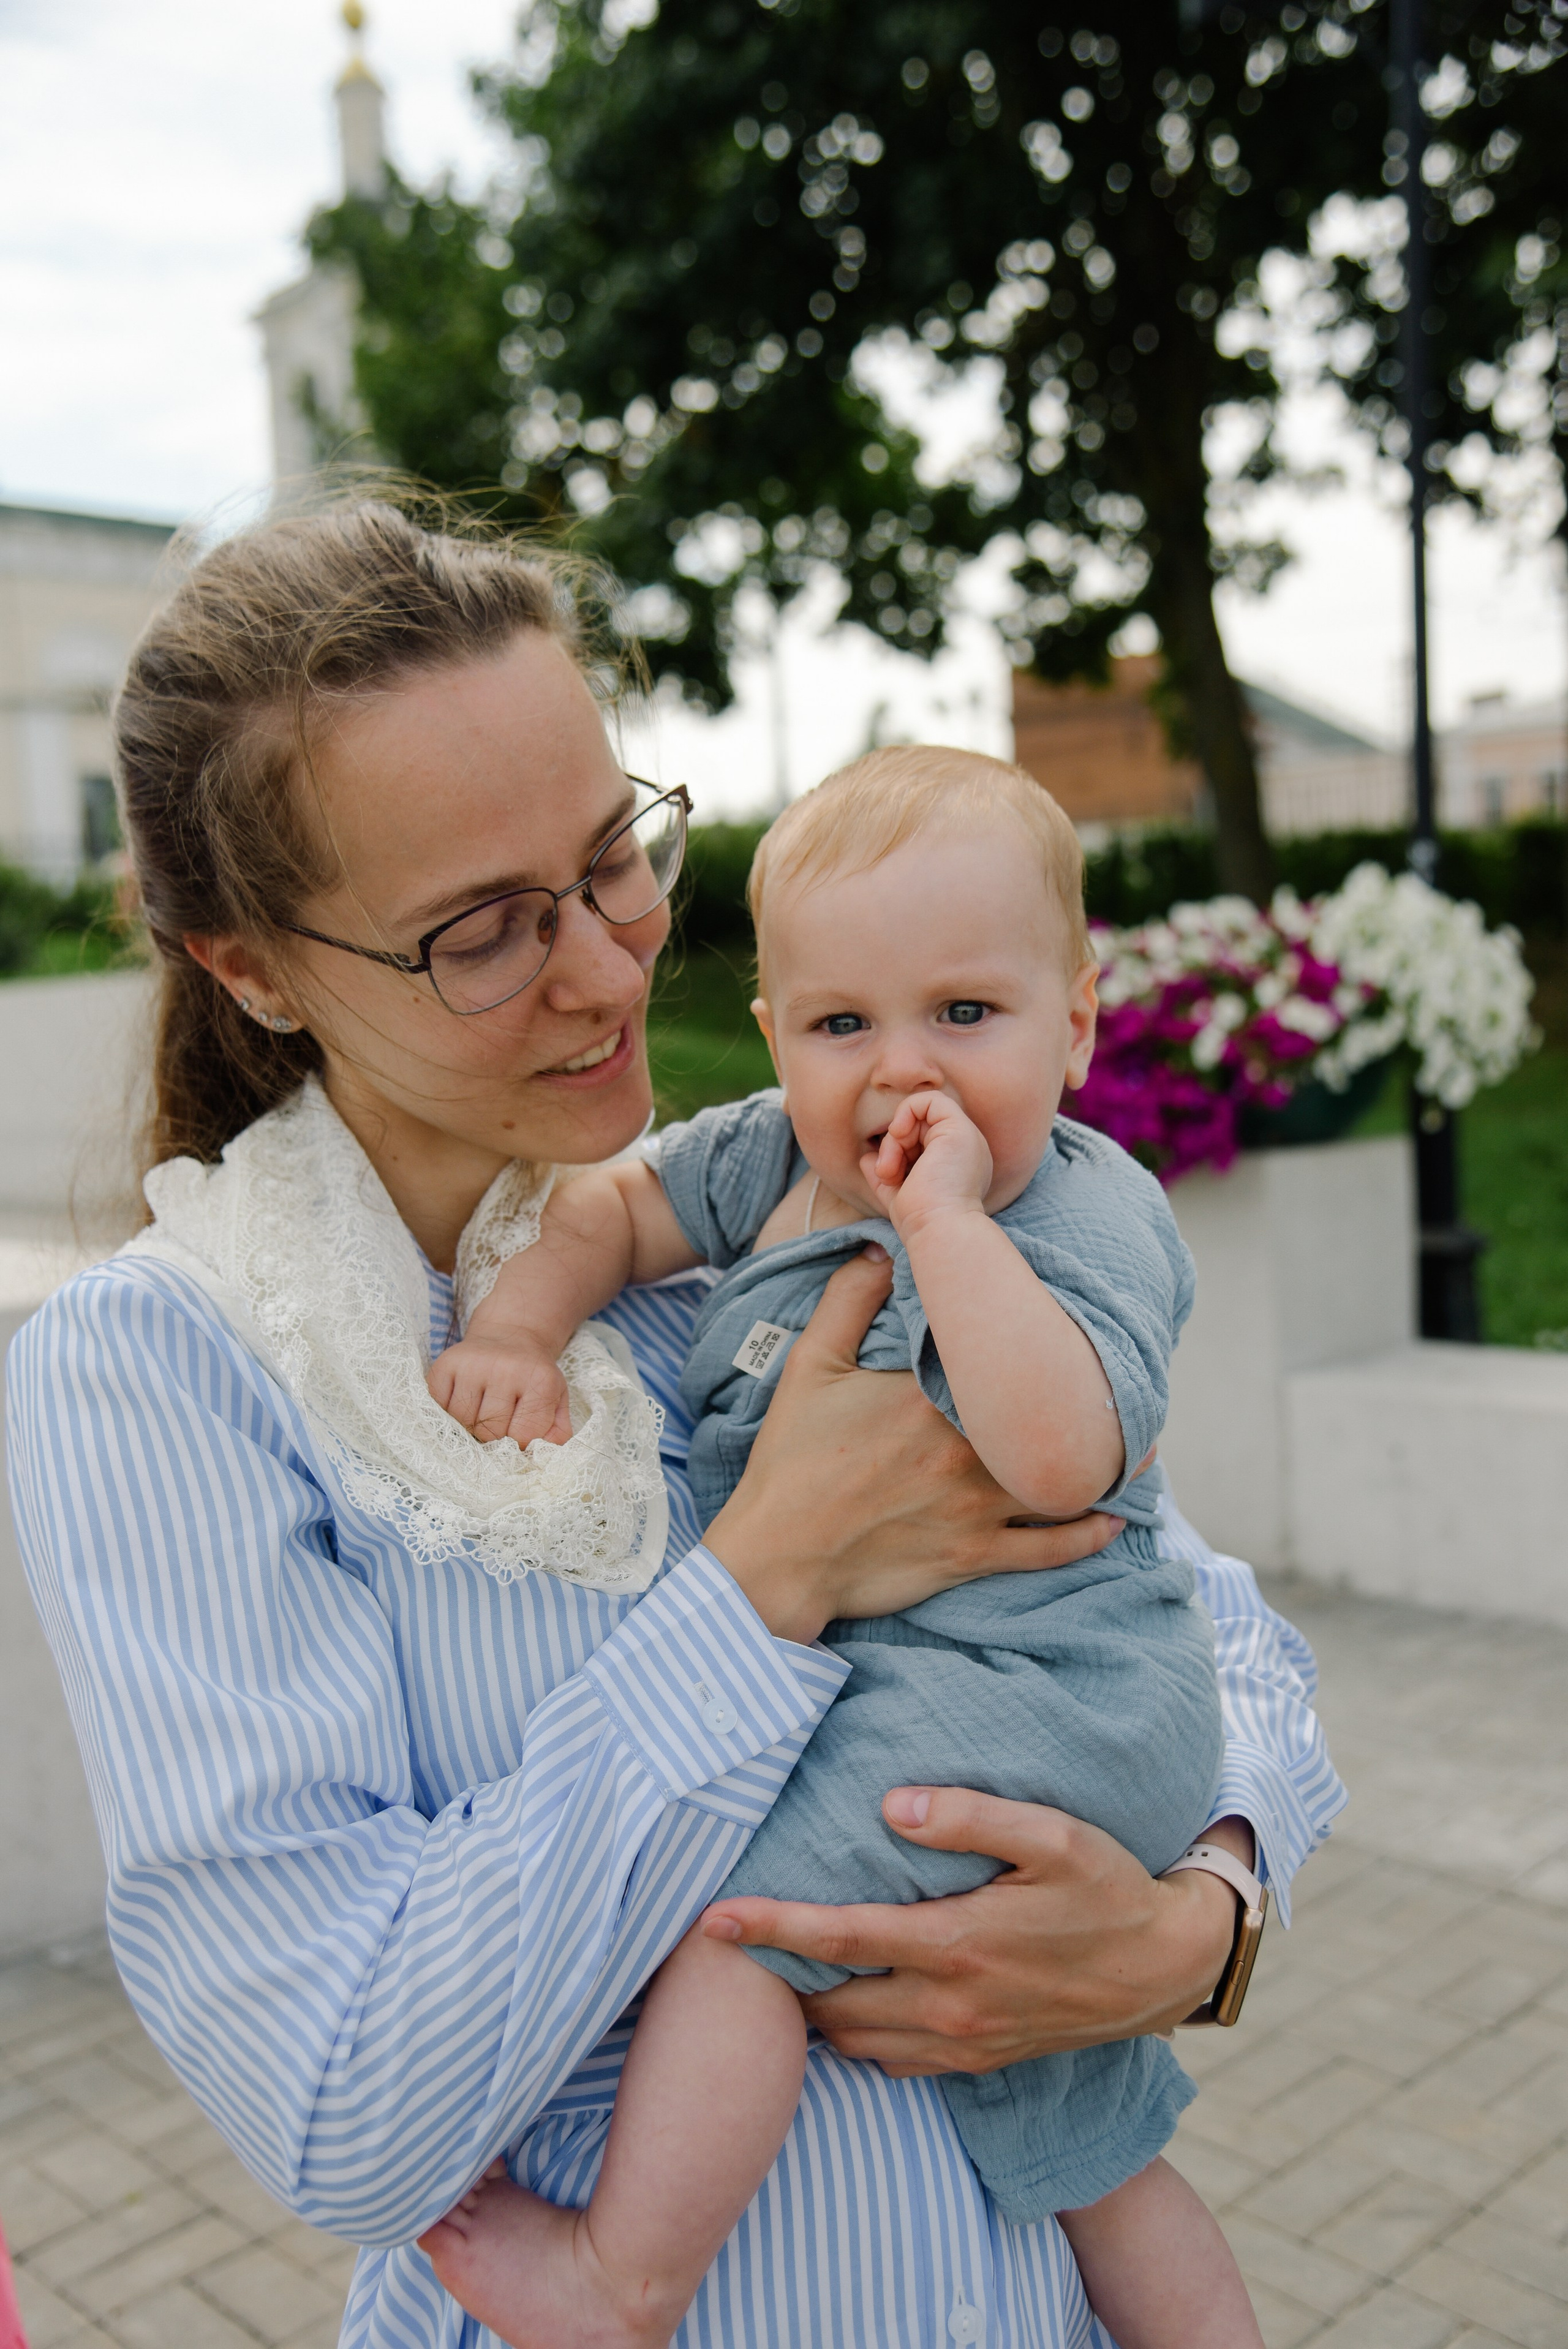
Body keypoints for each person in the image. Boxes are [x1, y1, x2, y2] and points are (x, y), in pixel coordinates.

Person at [8, 502, 1344, 2349]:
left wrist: (1199, 1917)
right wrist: (770, 1571)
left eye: (617, 856)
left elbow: (1202, 1615)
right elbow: (344, 2105)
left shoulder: (783, 1206)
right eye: (486, 932)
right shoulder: (169, 1372)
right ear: (254, 966)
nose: (614, 966)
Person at [421, 745, 1259, 2349]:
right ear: (775, 1040)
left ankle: (625, 2277)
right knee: (1084, 2138)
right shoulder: (776, 1164)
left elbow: (1062, 1451)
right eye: (842, 1025)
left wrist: (947, 1232)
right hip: (973, 1691)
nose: (903, 1076)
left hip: (1049, 1685)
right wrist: (524, 1325)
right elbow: (605, 1210)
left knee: (743, 1919)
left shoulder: (1081, 1215)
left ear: (1074, 1022)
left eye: (965, 1014)